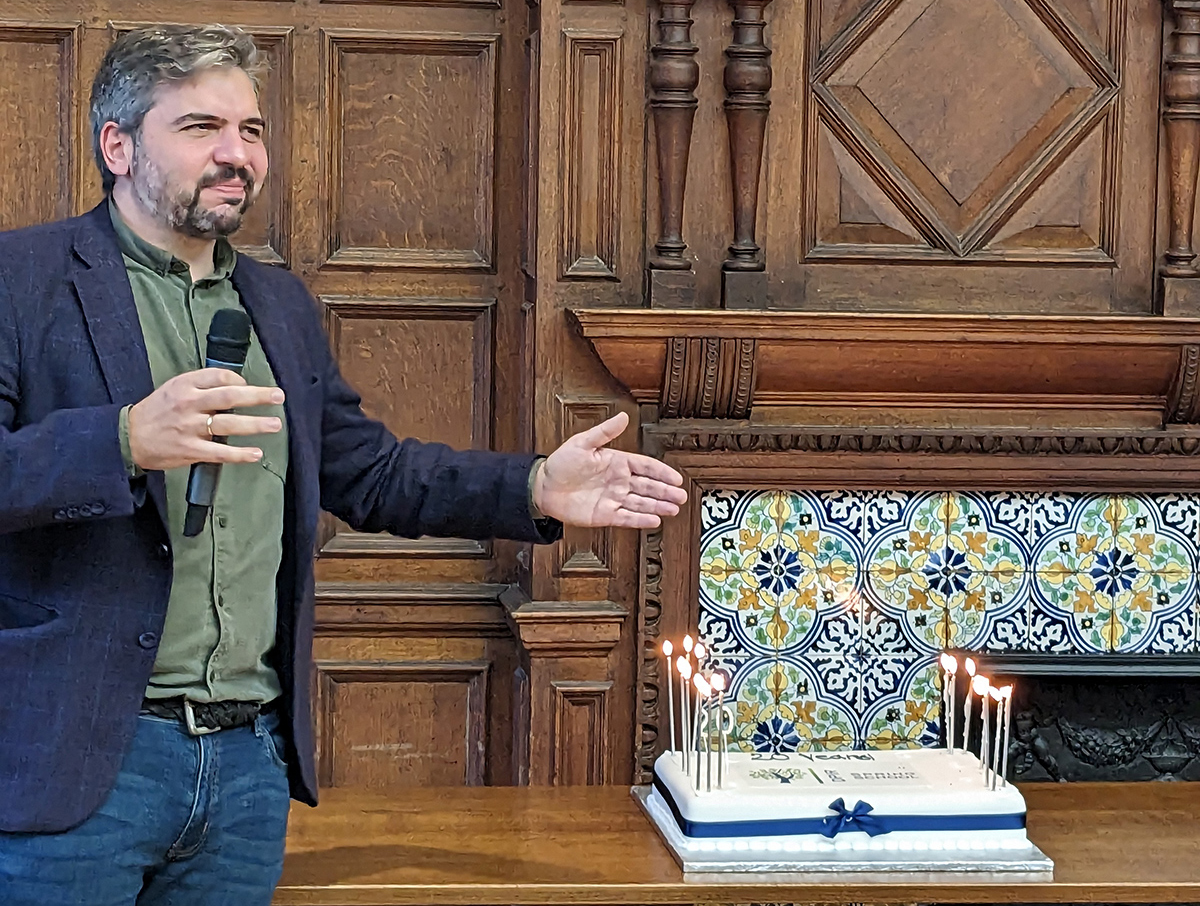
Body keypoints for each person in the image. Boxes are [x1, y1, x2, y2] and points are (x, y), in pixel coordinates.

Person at [0, 23, 688, 905]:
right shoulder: (23, 282)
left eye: (250, 131)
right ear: (119, 144)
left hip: (246, 769)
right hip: (81, 766)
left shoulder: (276, 305)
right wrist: (121, 441)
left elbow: (374, 473)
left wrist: (532, 486)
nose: (235, 154)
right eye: (201, 128)